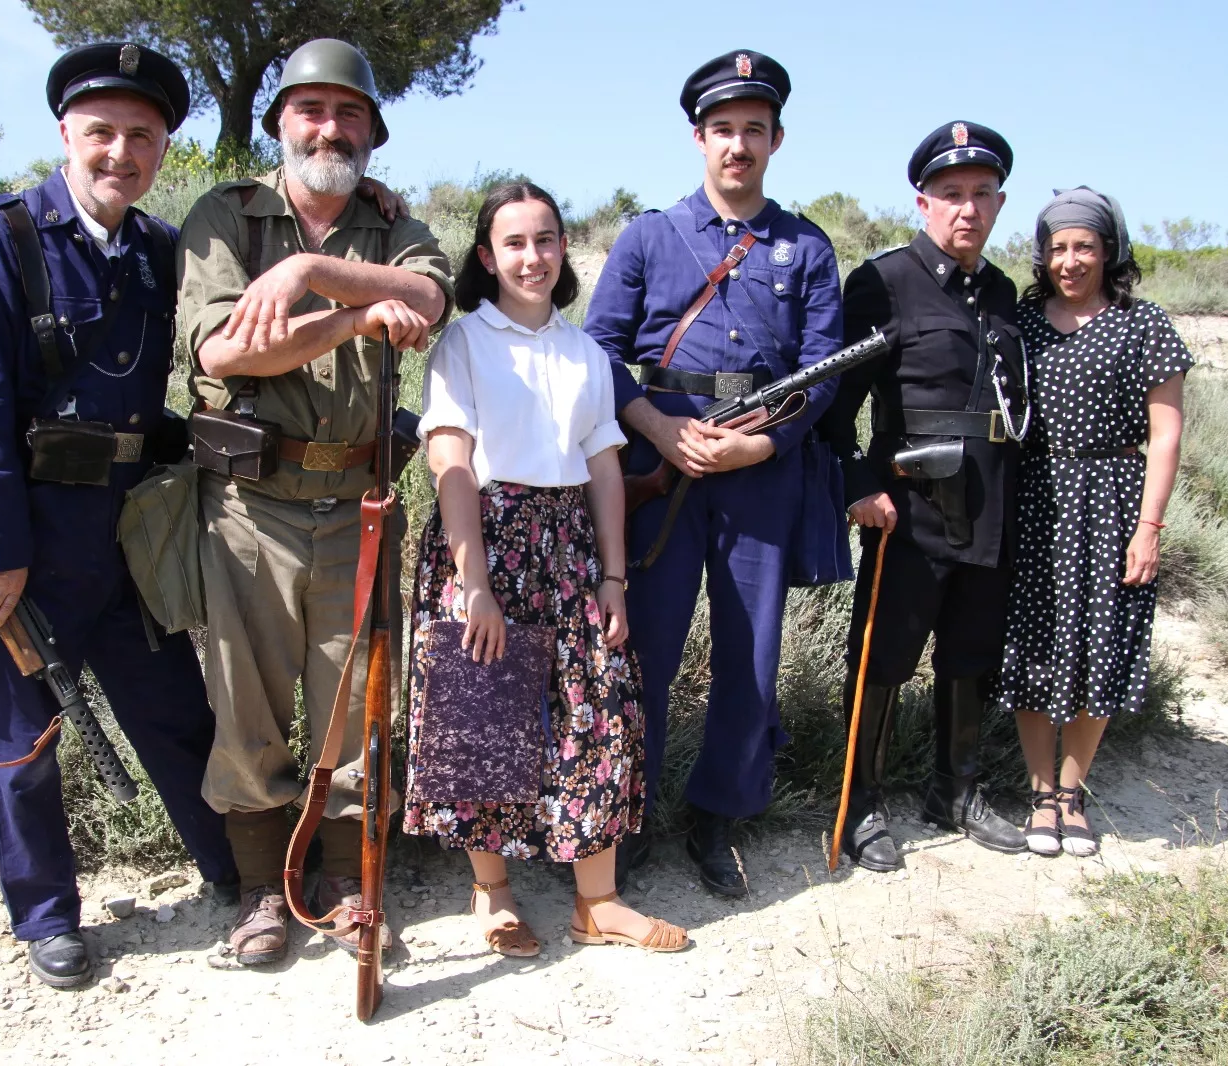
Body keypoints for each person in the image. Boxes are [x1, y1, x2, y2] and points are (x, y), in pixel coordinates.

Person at [0, 41, 239, 988]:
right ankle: (45, 917)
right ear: (65, 133)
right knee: (23, 739)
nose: (120, 152)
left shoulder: (157, 254)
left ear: (162, 149)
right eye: (100, 132)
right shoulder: (4, 235)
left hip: (131, 535)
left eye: (140, 136)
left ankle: (237, 872)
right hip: (32, 536)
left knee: (177, 715)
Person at [175, 38, 453, 966]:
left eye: (349, 113)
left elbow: (429, 293)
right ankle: (262, 891)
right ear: (281, 123)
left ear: (372, 131)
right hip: (250, 507)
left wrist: (308, 275)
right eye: (311, 110)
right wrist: (353, 314)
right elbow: (222, 354)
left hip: (362, 502)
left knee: (359, 707)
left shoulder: (390, 222)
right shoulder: (225, 216)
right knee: (246, 707)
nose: (329, 127)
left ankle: (345, 879)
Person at [585, 50, 845, 897]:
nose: (739, 144)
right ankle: (625, 816)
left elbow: (824, 371)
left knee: (752, 657)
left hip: (759, 476)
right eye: (724, 129)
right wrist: (659, 427)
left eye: (755, 130)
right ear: (699, 137)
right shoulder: (648, 236)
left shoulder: (805, 248)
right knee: (646, 653)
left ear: (777, 140)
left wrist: (758, 447)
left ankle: (718, 818)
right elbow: (599, 353)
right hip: (659, 470)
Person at [402, 182, 687, 955]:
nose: (533, 257)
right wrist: (474, 585)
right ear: (488, 257)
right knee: (482, 714)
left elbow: (603, 471)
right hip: (486, 539)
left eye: (547, 240)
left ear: (564, 251)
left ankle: (597, 904)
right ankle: (490, 893)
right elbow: (450, 458)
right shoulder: (463, 342)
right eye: (515, 243)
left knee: (595, 714)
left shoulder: (585, 351)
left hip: (569, 551)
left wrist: (614, 579)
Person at [818, 121, 1031, 872]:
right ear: (922, 202)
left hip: (991, 502)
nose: (966, 209)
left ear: (999, 203)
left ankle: (957, 790)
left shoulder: (1003, 292)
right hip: (908, 506)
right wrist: (859, 489)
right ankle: (863, 803)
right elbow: (838, 408)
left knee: (970, 654)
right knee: (882, 656)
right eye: (950, 195)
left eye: (980, 195)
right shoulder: (884, 281)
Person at [1000, 188, 1191, 858]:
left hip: (1112, 498)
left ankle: (1074, 793)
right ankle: (1039, 792)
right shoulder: (1021, 320)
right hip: (1035, 496)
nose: (1070, 259)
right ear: (1042, 255)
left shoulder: (1145, 325)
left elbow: (1165, 437)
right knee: (1034, 643)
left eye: (1084, 246)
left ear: (1109, 250)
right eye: (1057, 247)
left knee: (1101, 645)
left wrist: (1150, 527)